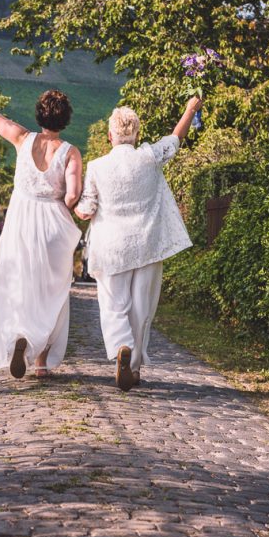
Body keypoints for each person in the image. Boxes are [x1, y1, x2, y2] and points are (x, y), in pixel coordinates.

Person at [0, 81, 82, 377]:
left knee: (20, 284)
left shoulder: (22, 138)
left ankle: (21, 336)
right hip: (53, 226)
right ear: (66, 119)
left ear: (39, 116)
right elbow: (72, 196)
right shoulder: (71, 152)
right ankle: (41, 363)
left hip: (20, 223)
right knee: (52, 291)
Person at [75, 98, 201, 391]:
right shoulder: (149, 156)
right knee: (142, 309)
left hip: (111, 247)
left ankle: (121, 345)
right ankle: (132, 369)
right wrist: (190, 109)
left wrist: (76, 209)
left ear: (110, 136)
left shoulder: (96, 166)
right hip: (146, 245)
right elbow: (176, 138)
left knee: (113, 305)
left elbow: (87, 208)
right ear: (137, 134)